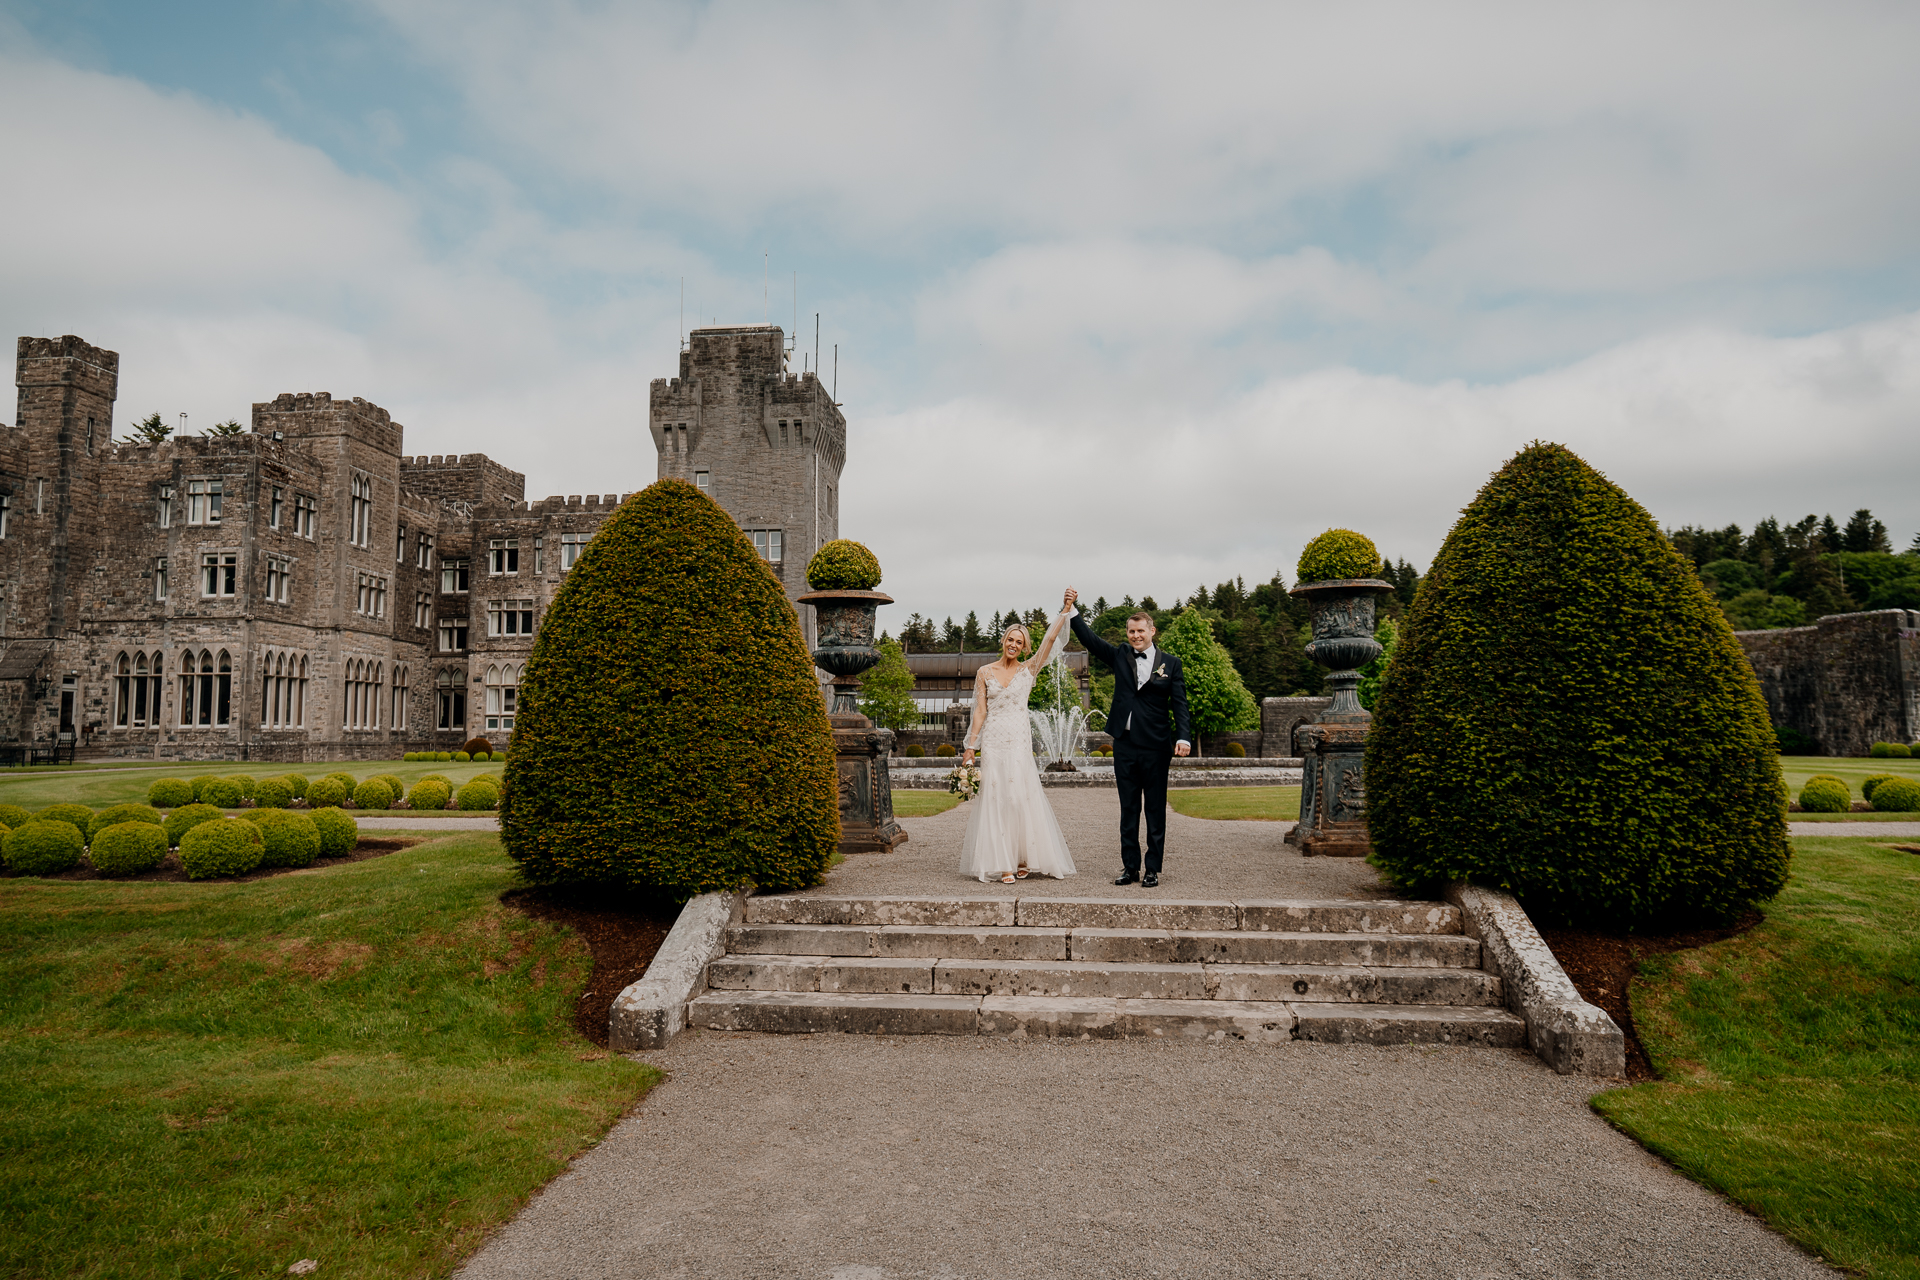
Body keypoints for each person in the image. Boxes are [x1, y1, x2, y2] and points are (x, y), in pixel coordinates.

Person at [1066, 590, 1190, 887]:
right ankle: (1129, 867)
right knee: (1129, 808)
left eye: (1140, 631)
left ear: (1152, 631)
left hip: (1158, 745)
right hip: (1125, 743)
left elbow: (1180, 704)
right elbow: (1090, 640)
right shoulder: (1120, 654)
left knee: (1155, 808)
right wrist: (1071, 610)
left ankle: (1152, 868)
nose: (1136, 636)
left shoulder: (1171, 664)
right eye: (1131, 631)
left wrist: (1183, 737)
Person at [958, 594, 1078, 884]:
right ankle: (1004, 864)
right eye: (1010, 640)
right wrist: (970, 747)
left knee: (1019, 797)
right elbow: (980, 712)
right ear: (1003, 641)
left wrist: (1064, 610)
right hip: (995, 740)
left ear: (1024, 647)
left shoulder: (1029, 670)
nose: (1014, 645)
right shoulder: (984, 672)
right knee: (999, 798)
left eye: (1019, 642)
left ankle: (1024, 858)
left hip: (1020, 739)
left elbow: (1049, 641)